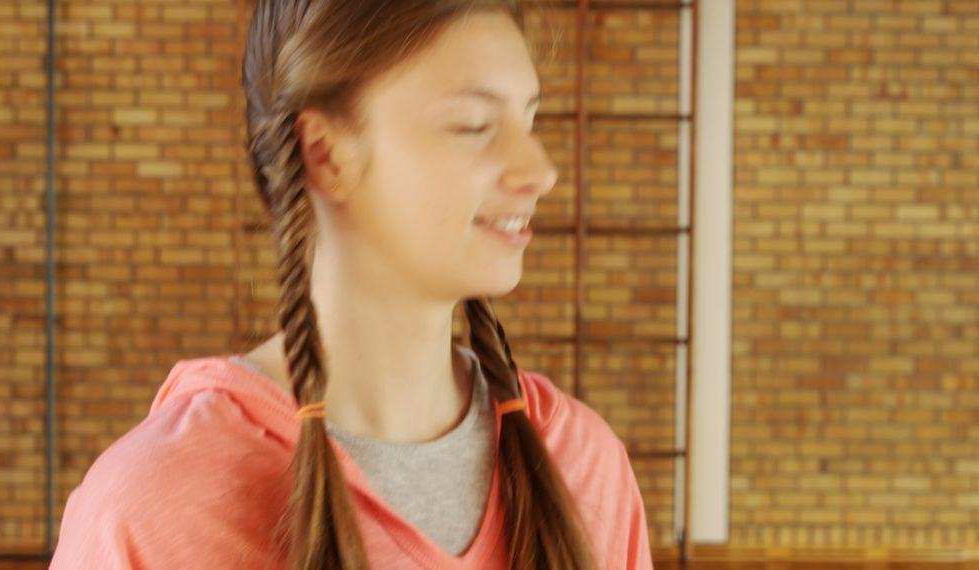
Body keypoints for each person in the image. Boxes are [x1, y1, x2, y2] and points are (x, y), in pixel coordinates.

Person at [50, 1, 654, 568]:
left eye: (530, 119)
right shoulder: (155, 510)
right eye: (474, 125)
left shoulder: (585, 463)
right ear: (326, 153)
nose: (540, 171)